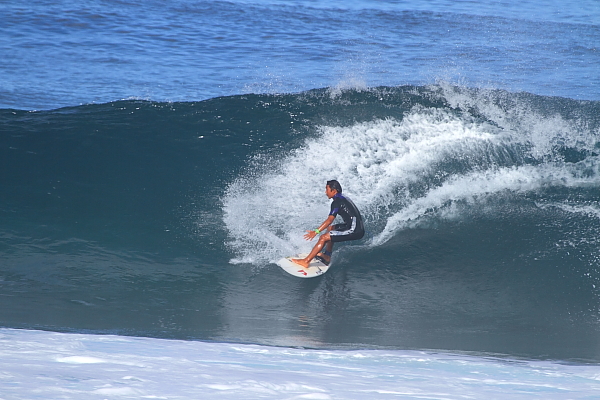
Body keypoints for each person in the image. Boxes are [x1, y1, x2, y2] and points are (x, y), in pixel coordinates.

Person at [292, 180, 364, 269]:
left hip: (355, 230)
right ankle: (327, 256)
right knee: (330, 229)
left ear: (334, 191)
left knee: (323, 237)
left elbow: (329, 220)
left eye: (327, 189)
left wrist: (316, 231)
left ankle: (305, 262)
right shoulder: (343, 198)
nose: (325, 192)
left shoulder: (336, 202)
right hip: (353, 226)